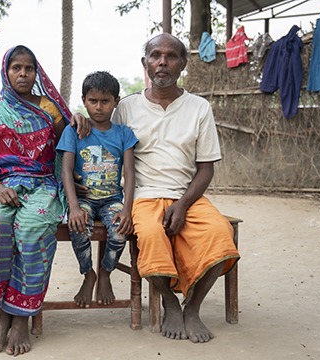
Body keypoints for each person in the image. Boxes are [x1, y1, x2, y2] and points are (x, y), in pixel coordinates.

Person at [74, 33, 240, 343]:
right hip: (142, 196)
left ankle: (193, 308)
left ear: (183, 64)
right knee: (150, 235)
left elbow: (206, 168)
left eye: (171, 56)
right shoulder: (126, 107)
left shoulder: (199, 108)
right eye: (155, 55)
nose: (162, 61)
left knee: (221, 237)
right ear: (145, 63)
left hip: (187, 196)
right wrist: (78, 120)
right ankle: (168, 301)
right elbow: (96, 131)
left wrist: (183, 204)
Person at [0, 45, 88, 356]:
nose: (23, 74)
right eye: (16, 68)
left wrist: (77, 118)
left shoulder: (49, 109)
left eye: (29, 68)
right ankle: (2, 315)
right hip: (0, 187)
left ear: (36, 72)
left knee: (32, 226)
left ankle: (21, 316)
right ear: (6, 71)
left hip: (43, 184)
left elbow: (71, 143)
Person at [57, 71, 138, 308]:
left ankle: (105, 273)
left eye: (105, 101)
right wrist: (73, 208)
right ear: (84, 100)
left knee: (119, 229)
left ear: (116, 102)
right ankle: (88, 274)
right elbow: (66, 171)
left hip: (112, 198)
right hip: (85, 200)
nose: (99, 107)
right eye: (93, 101)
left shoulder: (124, 134)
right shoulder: (75, 131)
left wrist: (127, 209)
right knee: (78, 225)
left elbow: (130, 173)